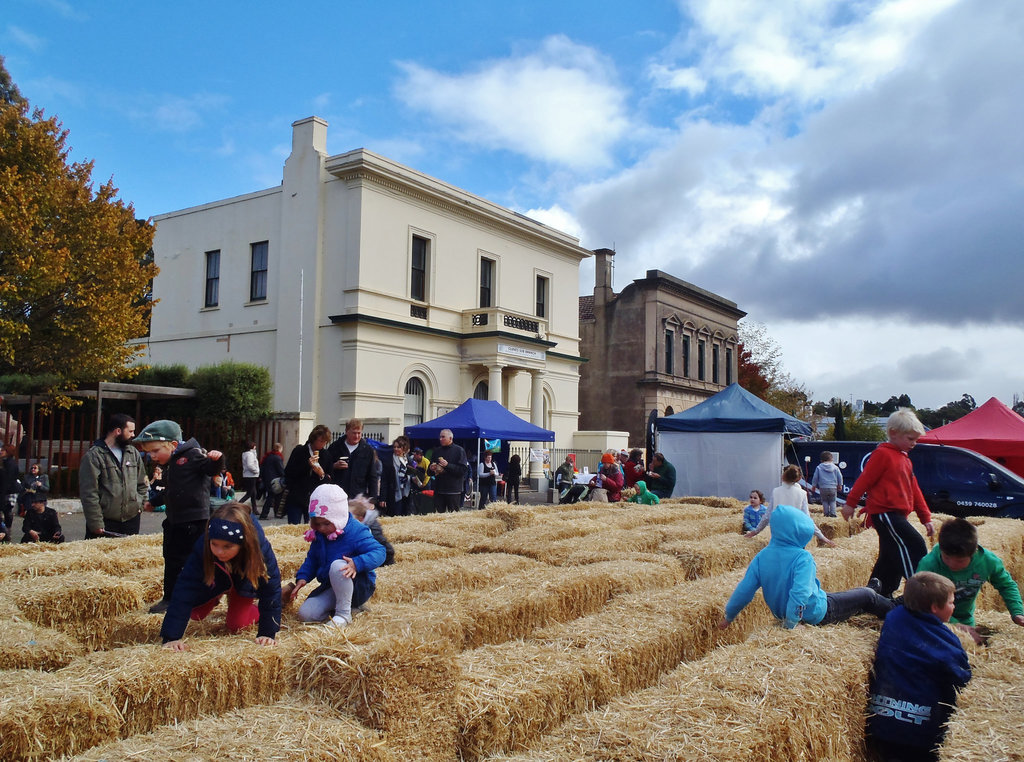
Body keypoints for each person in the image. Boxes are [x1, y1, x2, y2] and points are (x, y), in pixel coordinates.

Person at [719, 505, 895, 630]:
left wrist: (729, 616)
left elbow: (745, 590)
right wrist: (791, 623)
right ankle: (893, 608)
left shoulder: (763, 555)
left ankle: (867, 590)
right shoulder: (802, 557)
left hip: (809, 604)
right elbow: (800, 593)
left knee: (834, 594)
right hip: (816, 613)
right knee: (867, 597)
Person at [866, 571, 971, 762]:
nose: (954, 606)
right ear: (934, 608)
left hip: (882, 719)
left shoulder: (894, 619)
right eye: (951, 602)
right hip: (920, 729)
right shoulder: (944, 640)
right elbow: (961, 676)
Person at [160, 502, 281, 651]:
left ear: (243, 543)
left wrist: (268, 632)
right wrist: (172, 637)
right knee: (195, 613)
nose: (219, 552)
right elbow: (185, 586)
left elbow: (271, 587)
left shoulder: (259, 549)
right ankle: (218, 594)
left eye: (227, 547)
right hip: (217, 579)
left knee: (236, 625)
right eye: (214, 544)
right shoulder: (203, 545)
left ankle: (261, 606)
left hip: (243, 582)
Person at [842, 408, 934, 598]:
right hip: (885, 512)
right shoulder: (882, 454)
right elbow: (865, 479)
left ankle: (877, 594)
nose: (914, 444)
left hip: (895, 514)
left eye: (916, 440)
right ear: (893, 433)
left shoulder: (905, 459)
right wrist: (850, 503)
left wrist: (926, 517)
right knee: (914, 544)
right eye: (910, 439)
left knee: (889, 555)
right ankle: (920, 594)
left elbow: (915, 490)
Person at [134, 419, 223, 614]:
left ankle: (206, 596)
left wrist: (217, 460)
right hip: (175, 520)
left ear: (173, 445)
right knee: (172, 560)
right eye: (149, 453)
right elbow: (171, 491)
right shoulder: (171, 464)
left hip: (195, 521)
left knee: (198, 559)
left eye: (156, 451)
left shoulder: (193, 455)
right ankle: (170, 597)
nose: (153, 456)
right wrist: (155, 502)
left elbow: (211, 470)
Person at [284, 484, 386, 628]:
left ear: (339, 517)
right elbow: (312, 558)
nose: (322, 528)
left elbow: (380, 552)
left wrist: (357, 563)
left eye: (326, 523)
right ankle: (347, 609)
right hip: (331, 586)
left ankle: (344, 614)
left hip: (358, 586)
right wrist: (303, 577)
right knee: (305, 614)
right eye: (317, 524)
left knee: (338, 565)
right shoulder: (320, 535)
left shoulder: (356, 532)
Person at [917, 517, 1024, 644]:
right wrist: (955, 626)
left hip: (966, 618)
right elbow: (920, 603)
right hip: (935, 622)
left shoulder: (988, 561)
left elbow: (1006, 585)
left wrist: (1017, 611)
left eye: (960, 561)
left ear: (974, 553)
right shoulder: (928, 565)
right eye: (946, 557)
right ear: (941, 548)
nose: (952, 564)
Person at [79, 413, 148, 538]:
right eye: (131, 431)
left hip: (131, 520)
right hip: (106, 522)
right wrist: (95, 522)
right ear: (118, 431)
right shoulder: (94, 456)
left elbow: (142, 482)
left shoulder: (133, 453)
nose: (133, 435)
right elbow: (89, 492)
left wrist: (140, 505)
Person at [747, 465, 835, 546]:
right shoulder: (802, 493)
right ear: (799, 478)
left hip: (778, 534)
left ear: (783, 476)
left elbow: (767, 516)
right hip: (795, 534)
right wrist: (821, 536)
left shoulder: (776, 491)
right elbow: (807, 518)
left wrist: (755, 531)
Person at [283, 425, 331, 525]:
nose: (323, 444)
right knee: (294, 527)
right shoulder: (299, 451)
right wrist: (307, 465)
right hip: (297, 498)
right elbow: (288, 473)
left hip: (315, 500)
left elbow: (330, 479)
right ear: (313, 439)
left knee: (312, 529)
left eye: (325, 442)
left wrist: (321, 474)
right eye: (321, 441)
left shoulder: (326, 455)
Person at [324, 419, 378, 504]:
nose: (356, 436)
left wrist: (372, 499)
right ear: (346, 431)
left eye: (359, 433)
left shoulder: (367, 450)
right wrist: (334, 466)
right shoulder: (335, 447)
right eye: (354, 433)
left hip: (358, 497)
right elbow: (324, 469)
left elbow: (372, 476)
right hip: (337, 496)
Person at [349, 493, 395, 567]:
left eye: (351, 516)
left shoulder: (373, 530)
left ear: (360, 519)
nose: (348, 519)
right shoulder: (352, 528)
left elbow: (387, 550)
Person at [428, 429, 468, 513]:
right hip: (439, 489)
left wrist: (447, 465)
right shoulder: (437, 451)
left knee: (453, 516)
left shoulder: (459, 451)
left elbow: (462, 470)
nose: (440, 439)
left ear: (450, 438)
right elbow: (429, 472)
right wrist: (431, 468)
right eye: (440, 437)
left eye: (443, 437)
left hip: (453, 490)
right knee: (438, 516)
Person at [379, 436, 414, 517]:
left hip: (407, 492)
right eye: (394, 447)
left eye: (398, 447)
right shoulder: (389, 461)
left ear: (404, 448)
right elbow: (384, 480)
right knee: (395, 514)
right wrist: (382, 498)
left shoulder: (408, 460)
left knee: (406, 515)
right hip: (394, 493)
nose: (396, 449)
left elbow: (412, 474)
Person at [811, 451, 844, 518]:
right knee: (832, 501)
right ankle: (833, 514)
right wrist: (840, 485)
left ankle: (826, 514)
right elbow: (840, 476)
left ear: (821, 460)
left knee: (824, 500)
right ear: (832, 459)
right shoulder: (835, 467)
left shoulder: (819, 467)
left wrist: (814, 485)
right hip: (832, 487)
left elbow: (815, 477)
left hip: (823, 487)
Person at [258, 443, 286, 520]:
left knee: (272, 497)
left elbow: (262, 468)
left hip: (267, 479)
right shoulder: (278, 457)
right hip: (275, 480)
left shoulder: (267, 456)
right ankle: (268, 514)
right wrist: (285, 476)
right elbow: (280, 470)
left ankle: (273, 513)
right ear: (280, 449)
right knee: (273, 497)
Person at [1, 443, 20, 531]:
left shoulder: (11, 464)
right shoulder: (4, 462)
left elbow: (9, 479)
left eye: (3, 450)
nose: (1, 452)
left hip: (10, 490)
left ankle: (8, 529)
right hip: (4, 489)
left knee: (7, 509)